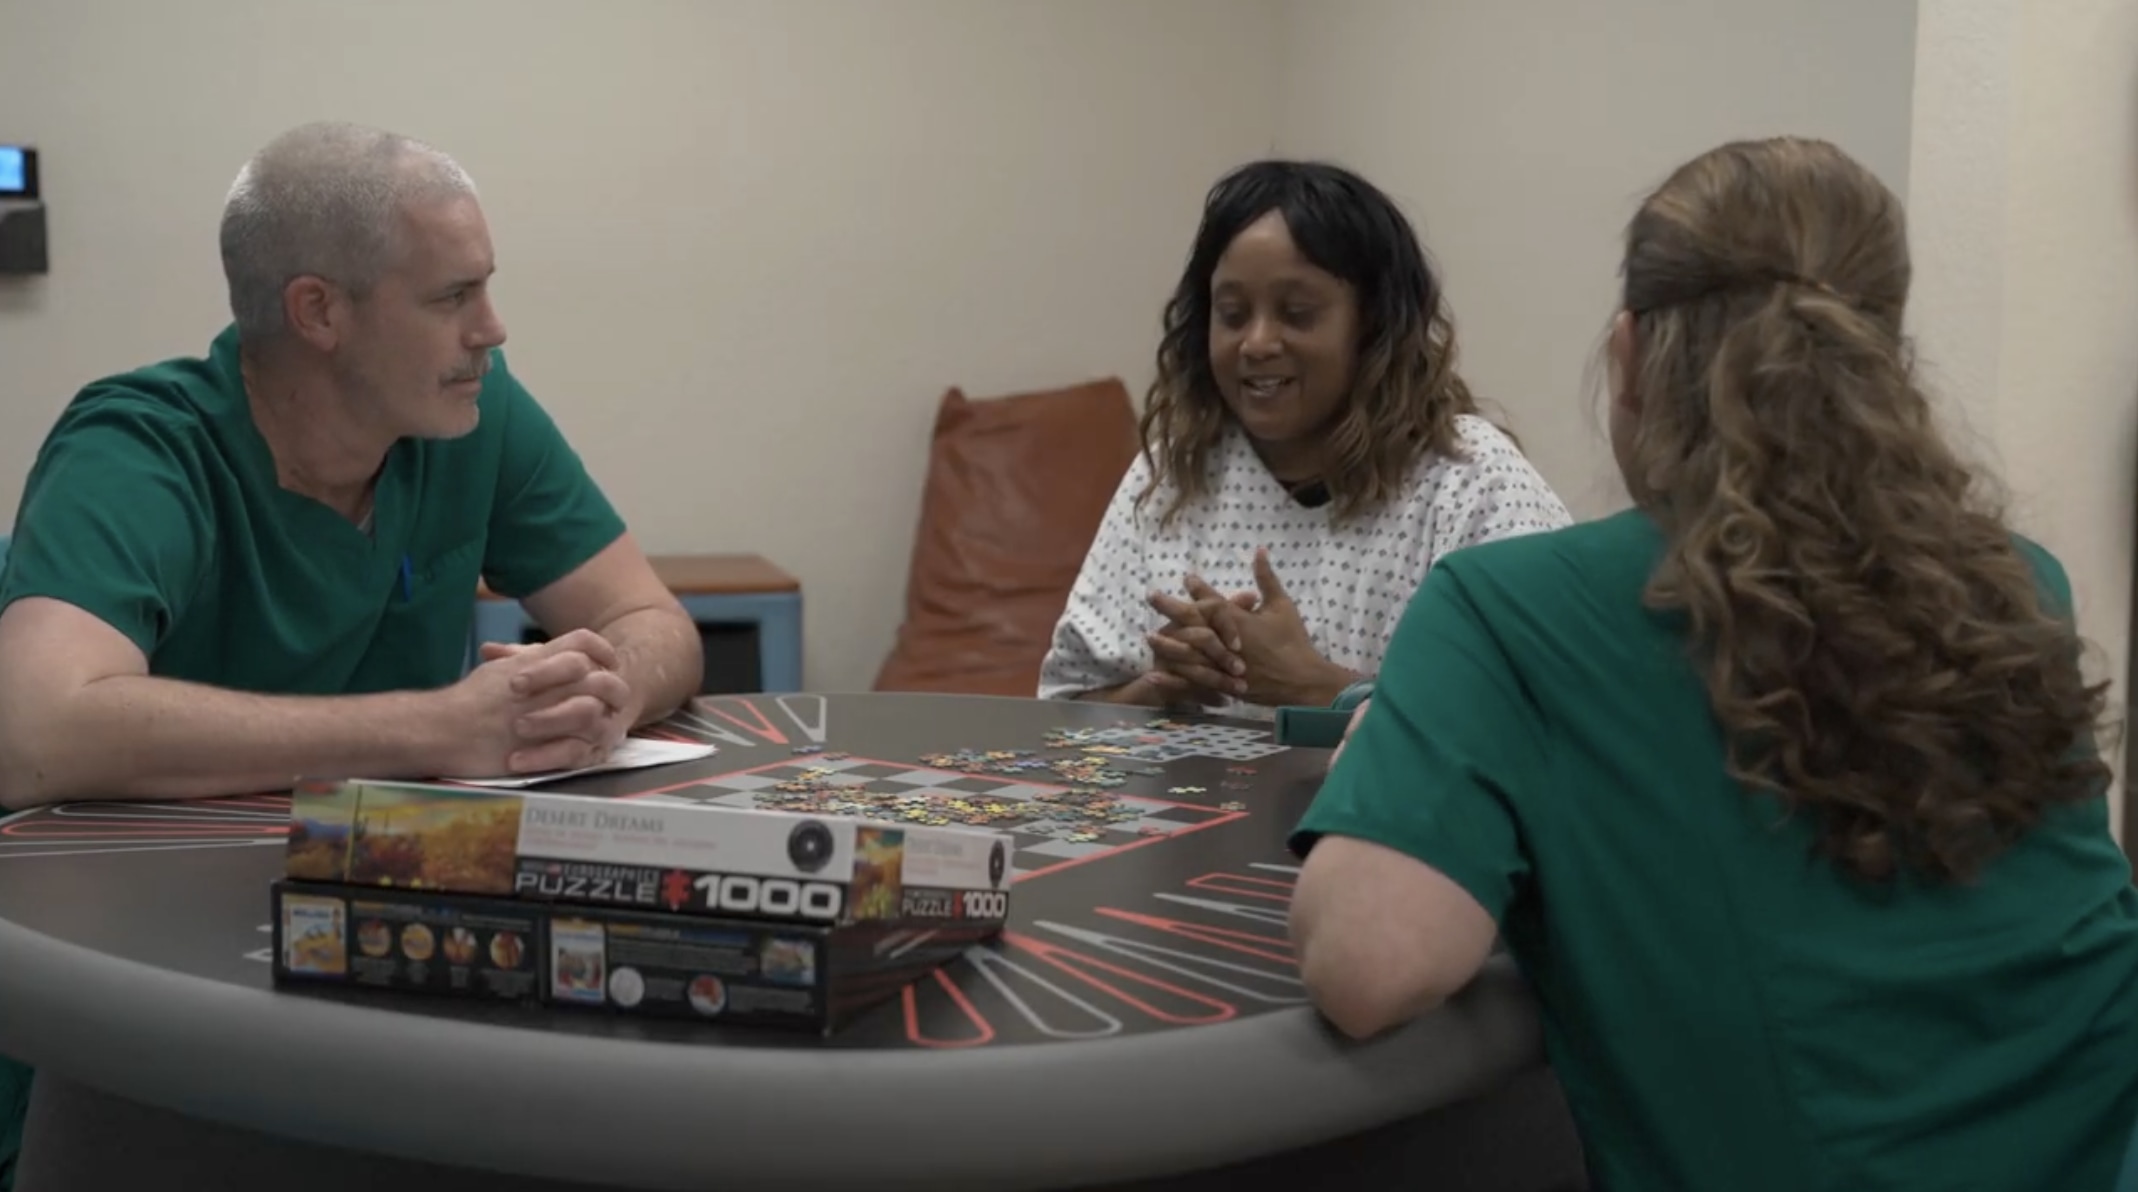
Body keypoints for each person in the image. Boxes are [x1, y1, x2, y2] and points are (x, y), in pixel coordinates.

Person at [1288, 136, 2138, 1191]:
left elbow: (1370, 961)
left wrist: (1387, 734)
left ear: (1629, 354)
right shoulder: (2024, 584)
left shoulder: (1507, 610)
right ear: (1883, 362)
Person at [0, 120, 705, 813]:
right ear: (319, 312)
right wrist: (440, 729)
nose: (491, 329)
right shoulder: (137, 449)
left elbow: (648, 617)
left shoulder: (475, 409)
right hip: (121, 904)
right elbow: (32, 734)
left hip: (372, 884)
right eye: (452, 297)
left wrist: (607, 694)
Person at [1036, 160, 1570, 716]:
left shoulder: (1471, 480)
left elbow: (1552, 724)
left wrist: (1317, 687)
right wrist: (1168, 686)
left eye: (1297, 313)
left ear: (1374, 325)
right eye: (1233, 314)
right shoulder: (1174, 471)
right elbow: (1066, 714)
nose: (1257, 343)